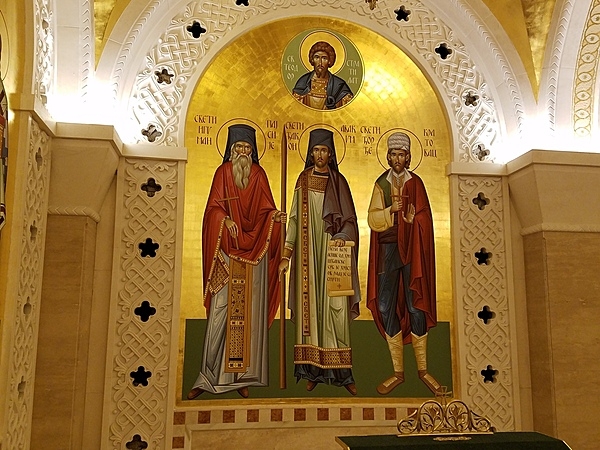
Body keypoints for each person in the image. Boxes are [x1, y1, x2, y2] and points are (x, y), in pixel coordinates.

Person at [187, 124, 285, 399]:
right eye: (238, 148)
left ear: (253, 152)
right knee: (219, 315)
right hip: (225, 255)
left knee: (247, 318)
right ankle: (206, 377)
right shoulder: (222, 173)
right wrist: (224, 219)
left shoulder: (258, 175)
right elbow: (211, 211)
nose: (243, 153)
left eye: (247, 149)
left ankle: (240, 377)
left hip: (251, 259)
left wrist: (275, 219)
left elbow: (266, 210)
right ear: (231, 151)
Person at [278, 128, 360, 395]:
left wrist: (342, 235)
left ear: (331, 153)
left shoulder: (340, 182)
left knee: (335, 312)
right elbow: (293, 219)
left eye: (324, 150)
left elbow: (351, 221)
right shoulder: (303, 180)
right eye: (315, 150)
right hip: (307, 259)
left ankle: (343, 374)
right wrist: (286, 254)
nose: (320, 155)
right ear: (310, 153)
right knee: (310, 312)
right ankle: (311, 369)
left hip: (334, 256)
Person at [366, 131, 442, 395]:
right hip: (388, 249)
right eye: (393, 154)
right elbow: (372, 219)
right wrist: (391, 212)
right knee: (386, 304)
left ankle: (423, 369)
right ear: (388, 156)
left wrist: (413, 222)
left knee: (415, 303)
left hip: (413, 251)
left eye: (402, 154)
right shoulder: (381, 184)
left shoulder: (416, 183)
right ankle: (398, 371)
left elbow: (426, 217)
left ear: (408, 157)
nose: (397, 158)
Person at [292, 41, 353, 110]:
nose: (320, 63)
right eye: (317, 57)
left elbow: (348, 110)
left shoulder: (339, 85)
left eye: (324, 58)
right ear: (312, 60)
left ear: (330, 61)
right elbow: (294, 108)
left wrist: (333, 106)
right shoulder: (303, 82)